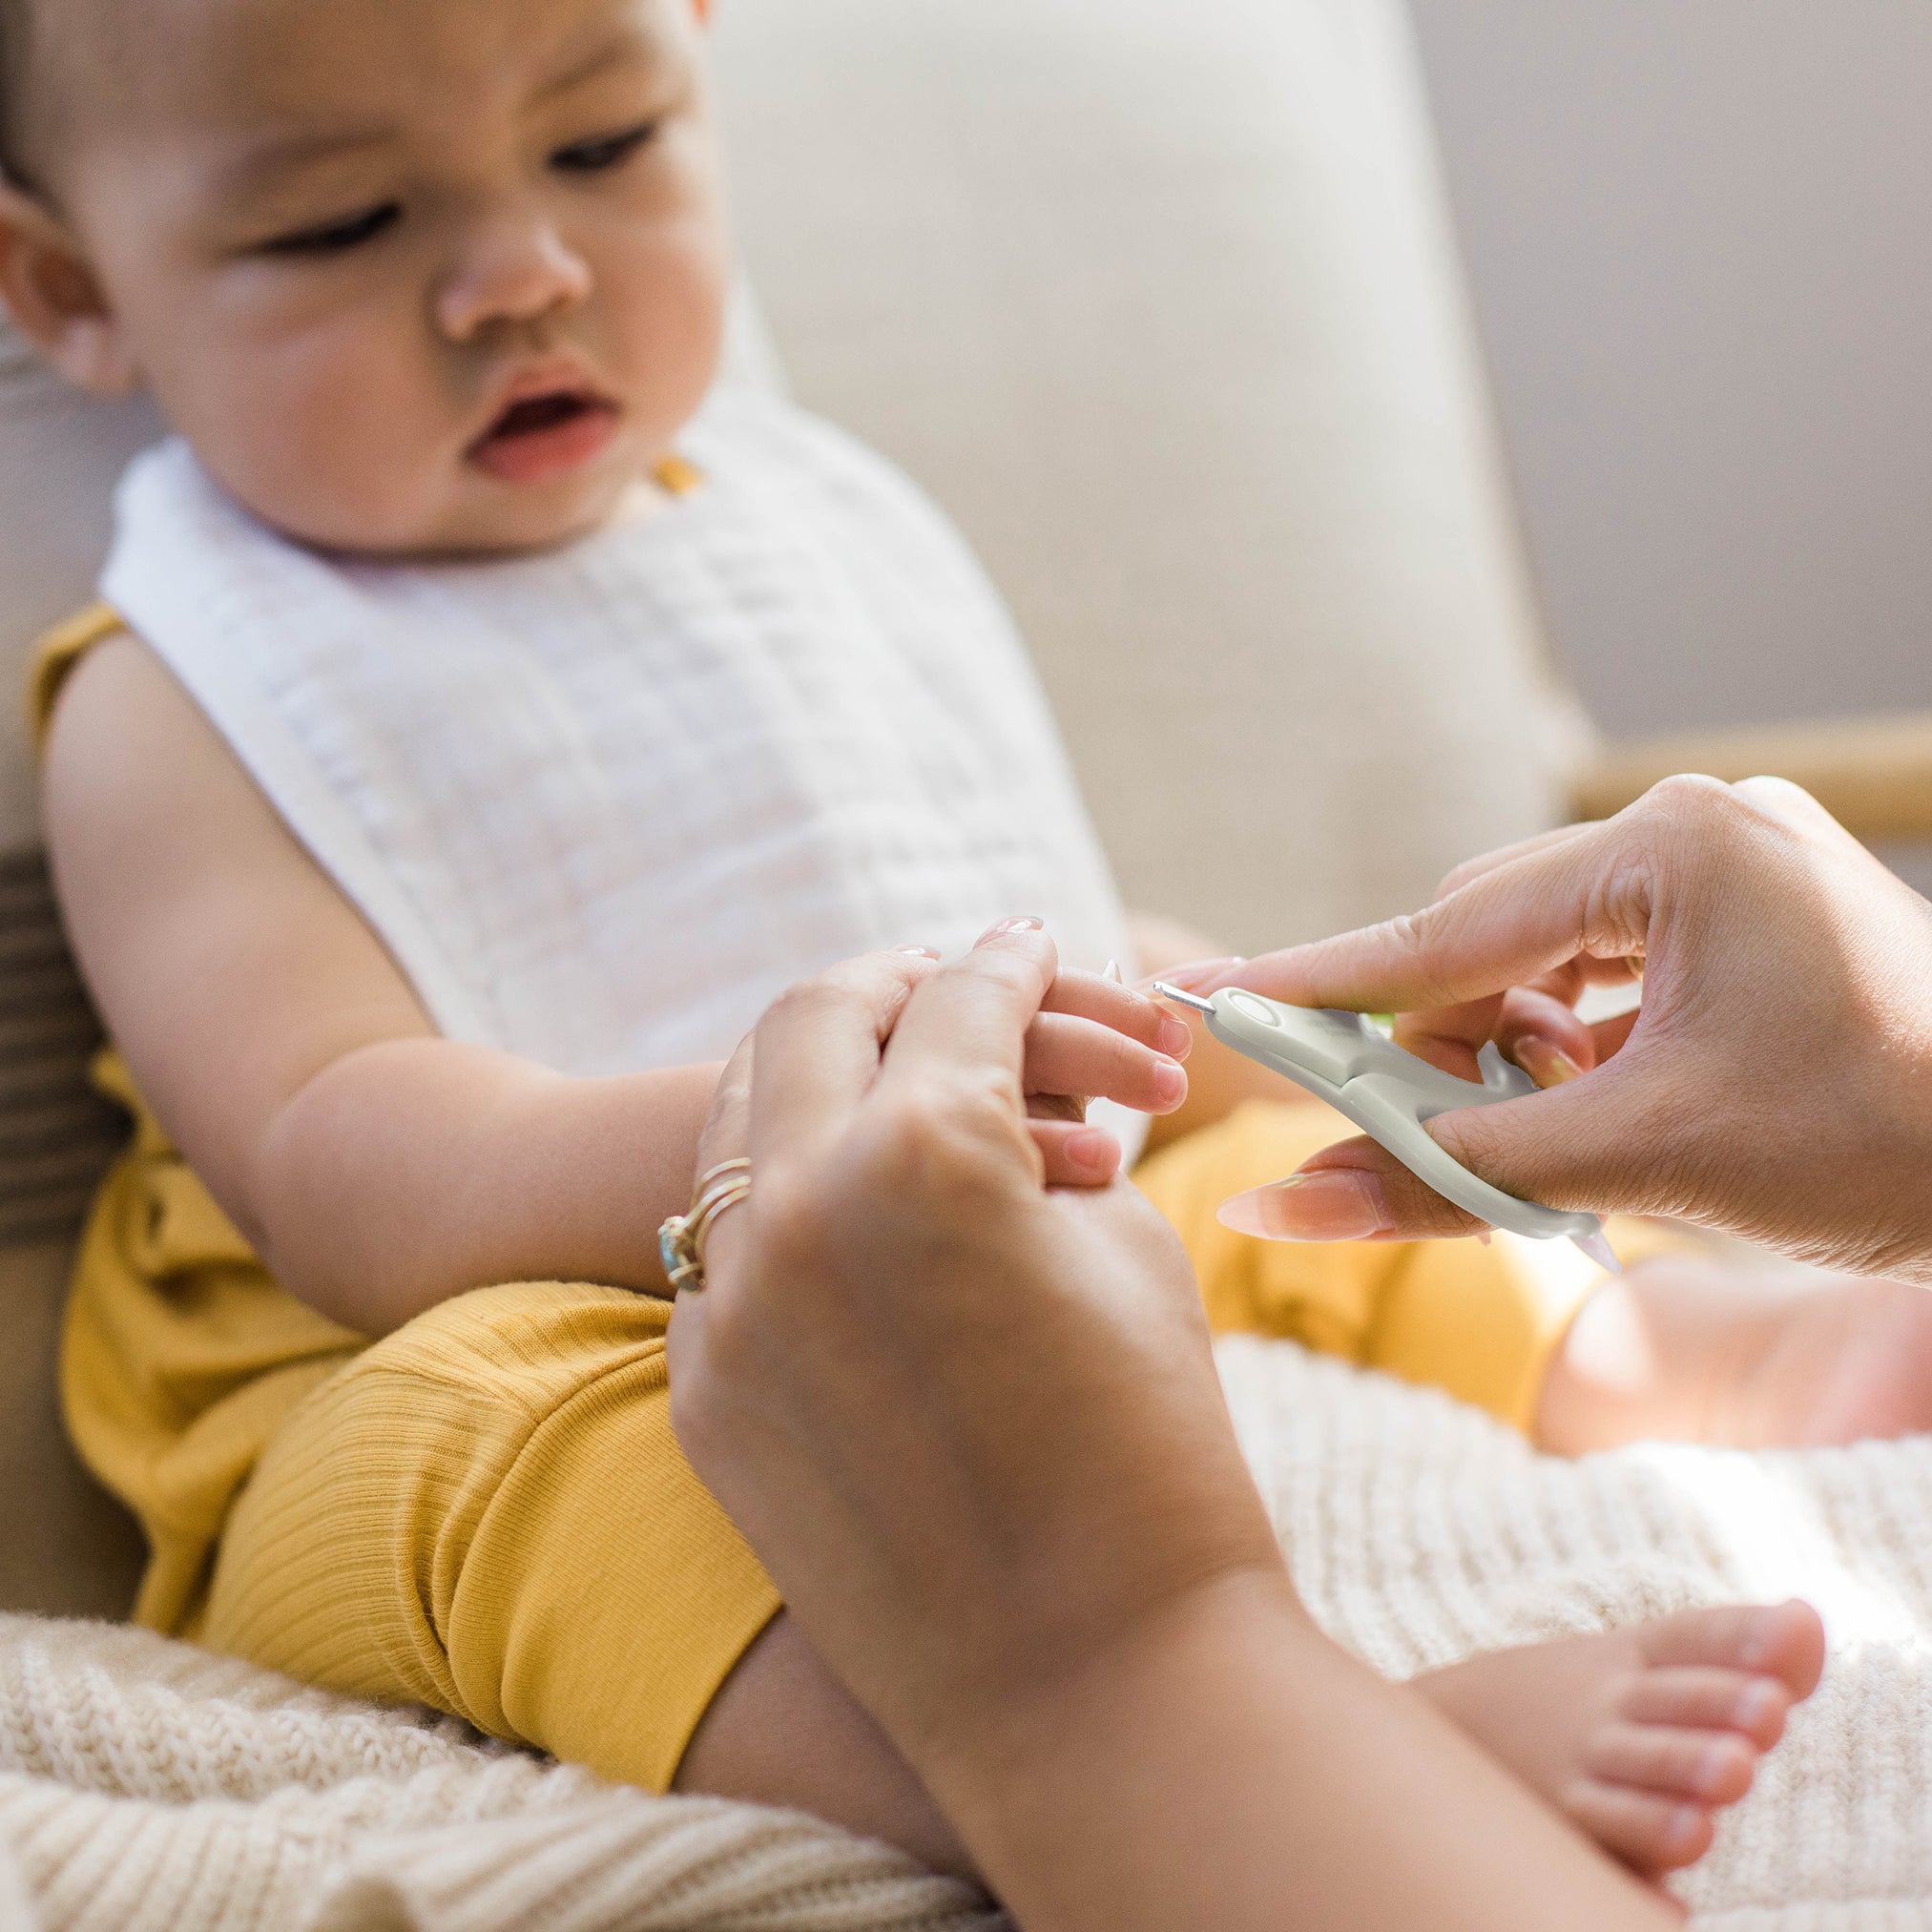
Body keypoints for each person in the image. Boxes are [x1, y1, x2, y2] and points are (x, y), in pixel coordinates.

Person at [0, 0, 1821, 1882]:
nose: (519, 272)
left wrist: (1325, 1015)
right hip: (458, 1322)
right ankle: (1172, 1753)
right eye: (338, 226)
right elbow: (328, 1149)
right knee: (518, 1459)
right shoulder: (172, 698)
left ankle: (1684, 1358)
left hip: (954, 1206)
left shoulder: (813, 544)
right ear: (68, 287)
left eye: (602, 142)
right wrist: (770, 1130)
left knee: (1283, 1175)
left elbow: (1051, 936)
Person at [667, 778, 1929, 1931]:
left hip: (1100, 1186)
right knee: (537, 1456)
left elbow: (1163, 1004)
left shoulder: (840, 550)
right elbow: (468, 1168)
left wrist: (1205, 1017)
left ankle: (1729, 1357)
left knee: (1361, 1203)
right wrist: (819, 1137)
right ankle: (1362, 1745)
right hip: (687, 1271)